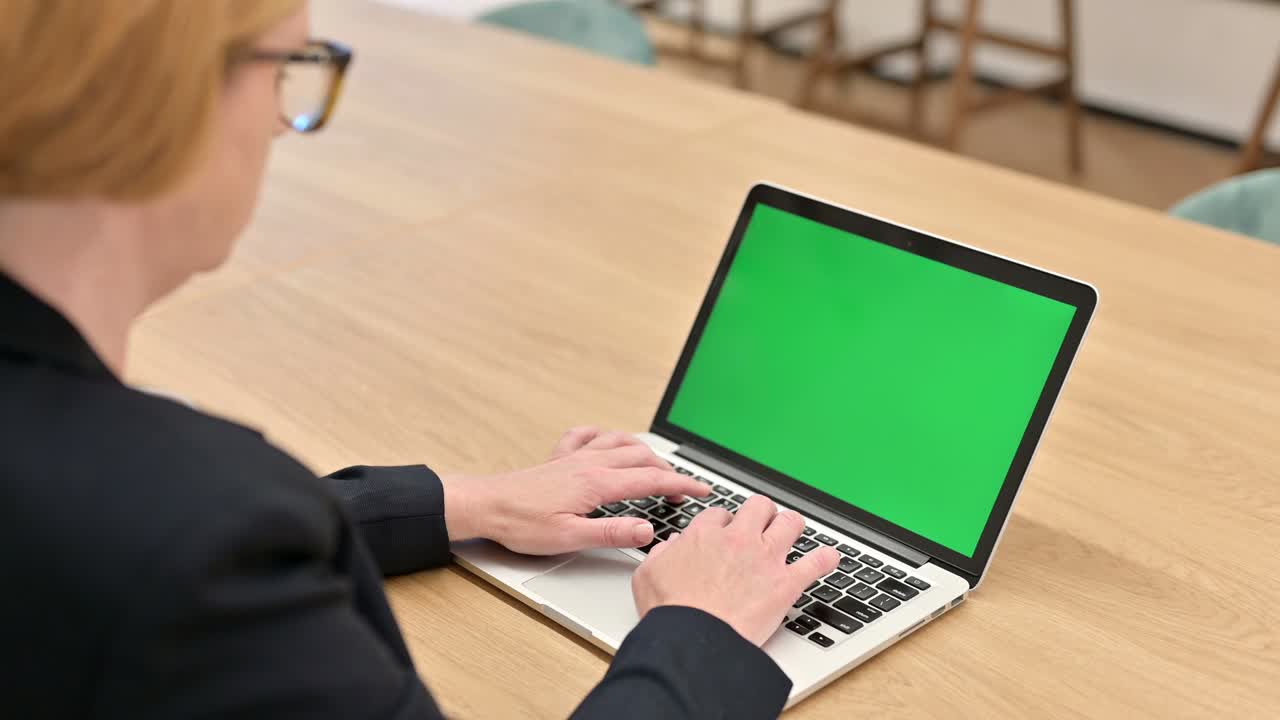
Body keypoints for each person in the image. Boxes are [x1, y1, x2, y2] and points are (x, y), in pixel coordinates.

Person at [0, 1, 840, 718]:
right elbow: (177, 554)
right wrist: (700, 635)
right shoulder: (191, 538)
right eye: (288, 68)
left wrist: (463, 505)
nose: (279, 125)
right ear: (165, 102)